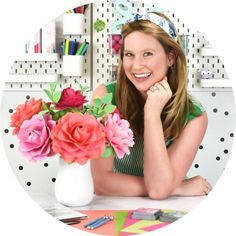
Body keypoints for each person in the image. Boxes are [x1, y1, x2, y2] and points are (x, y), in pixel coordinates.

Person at [91, 12, 212, 199]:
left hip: (171, 208)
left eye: (147, 54)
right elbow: (102, 183)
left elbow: (158, 190)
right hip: (116, 204)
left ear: (171, 58)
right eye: (129, 55)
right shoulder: (106, 96)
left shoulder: (194, 116)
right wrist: (176, 188)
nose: (136, 66)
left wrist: (152, 113)